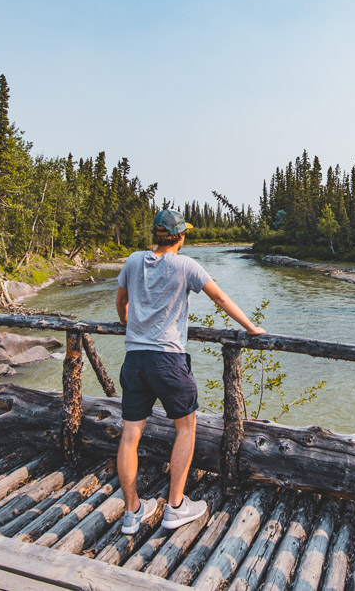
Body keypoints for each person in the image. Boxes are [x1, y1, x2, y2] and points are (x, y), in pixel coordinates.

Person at [117, 209, 266, 534]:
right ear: (180, 237)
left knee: (130, 434)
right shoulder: (186, 265)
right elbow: (220, 298)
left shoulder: (132, 261)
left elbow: (122, 300)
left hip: (135, 358)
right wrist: (252, 327)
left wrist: (127, 322)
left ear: (155, 235)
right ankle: (175, 505)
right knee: (186, 427)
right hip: (168, 360)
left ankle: (131, 512)